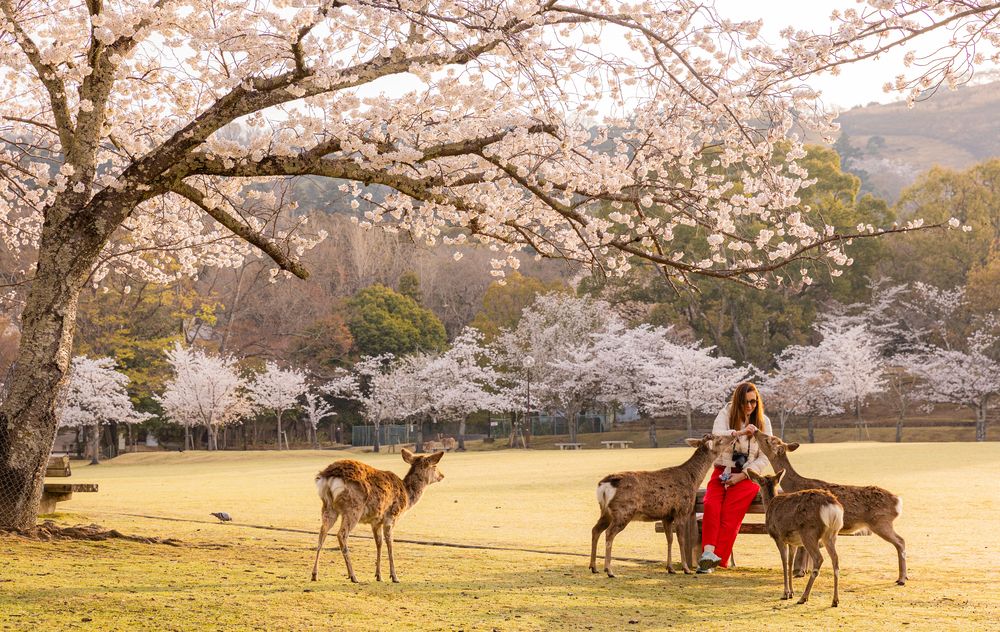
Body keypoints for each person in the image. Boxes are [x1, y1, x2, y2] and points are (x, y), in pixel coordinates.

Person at [697, 381, 772, 573]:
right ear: (737, 401)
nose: (749, 406)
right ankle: (708, 553)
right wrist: (739, 433)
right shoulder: (725, 414)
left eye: (753, 402)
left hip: (747, 477)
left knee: (730, 514)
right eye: (745, 402)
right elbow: (717, 436)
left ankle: (717, 560)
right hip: (722, 470)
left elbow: (765, 456)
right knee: (711, 505)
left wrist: (743, 476)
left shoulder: (764, 421)